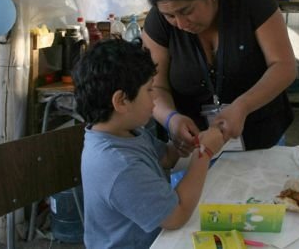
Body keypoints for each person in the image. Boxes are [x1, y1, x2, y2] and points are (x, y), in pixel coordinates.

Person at [73, 38, 225, 249]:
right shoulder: (118, 164)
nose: (154, 99)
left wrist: (182, 144)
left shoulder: (125, 131)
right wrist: (204, 153)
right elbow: (177, 215)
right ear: (121, 101)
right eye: (149, 90)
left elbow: (164, 157)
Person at [142, 0, 296, 153]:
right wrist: (171, 119)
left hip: (261, 134)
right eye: (170, 15)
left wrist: (243, 106)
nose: (180, 24)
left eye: (187, 11)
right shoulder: (158, 21)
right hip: (195, 145)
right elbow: (155, 86)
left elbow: (284, 66)